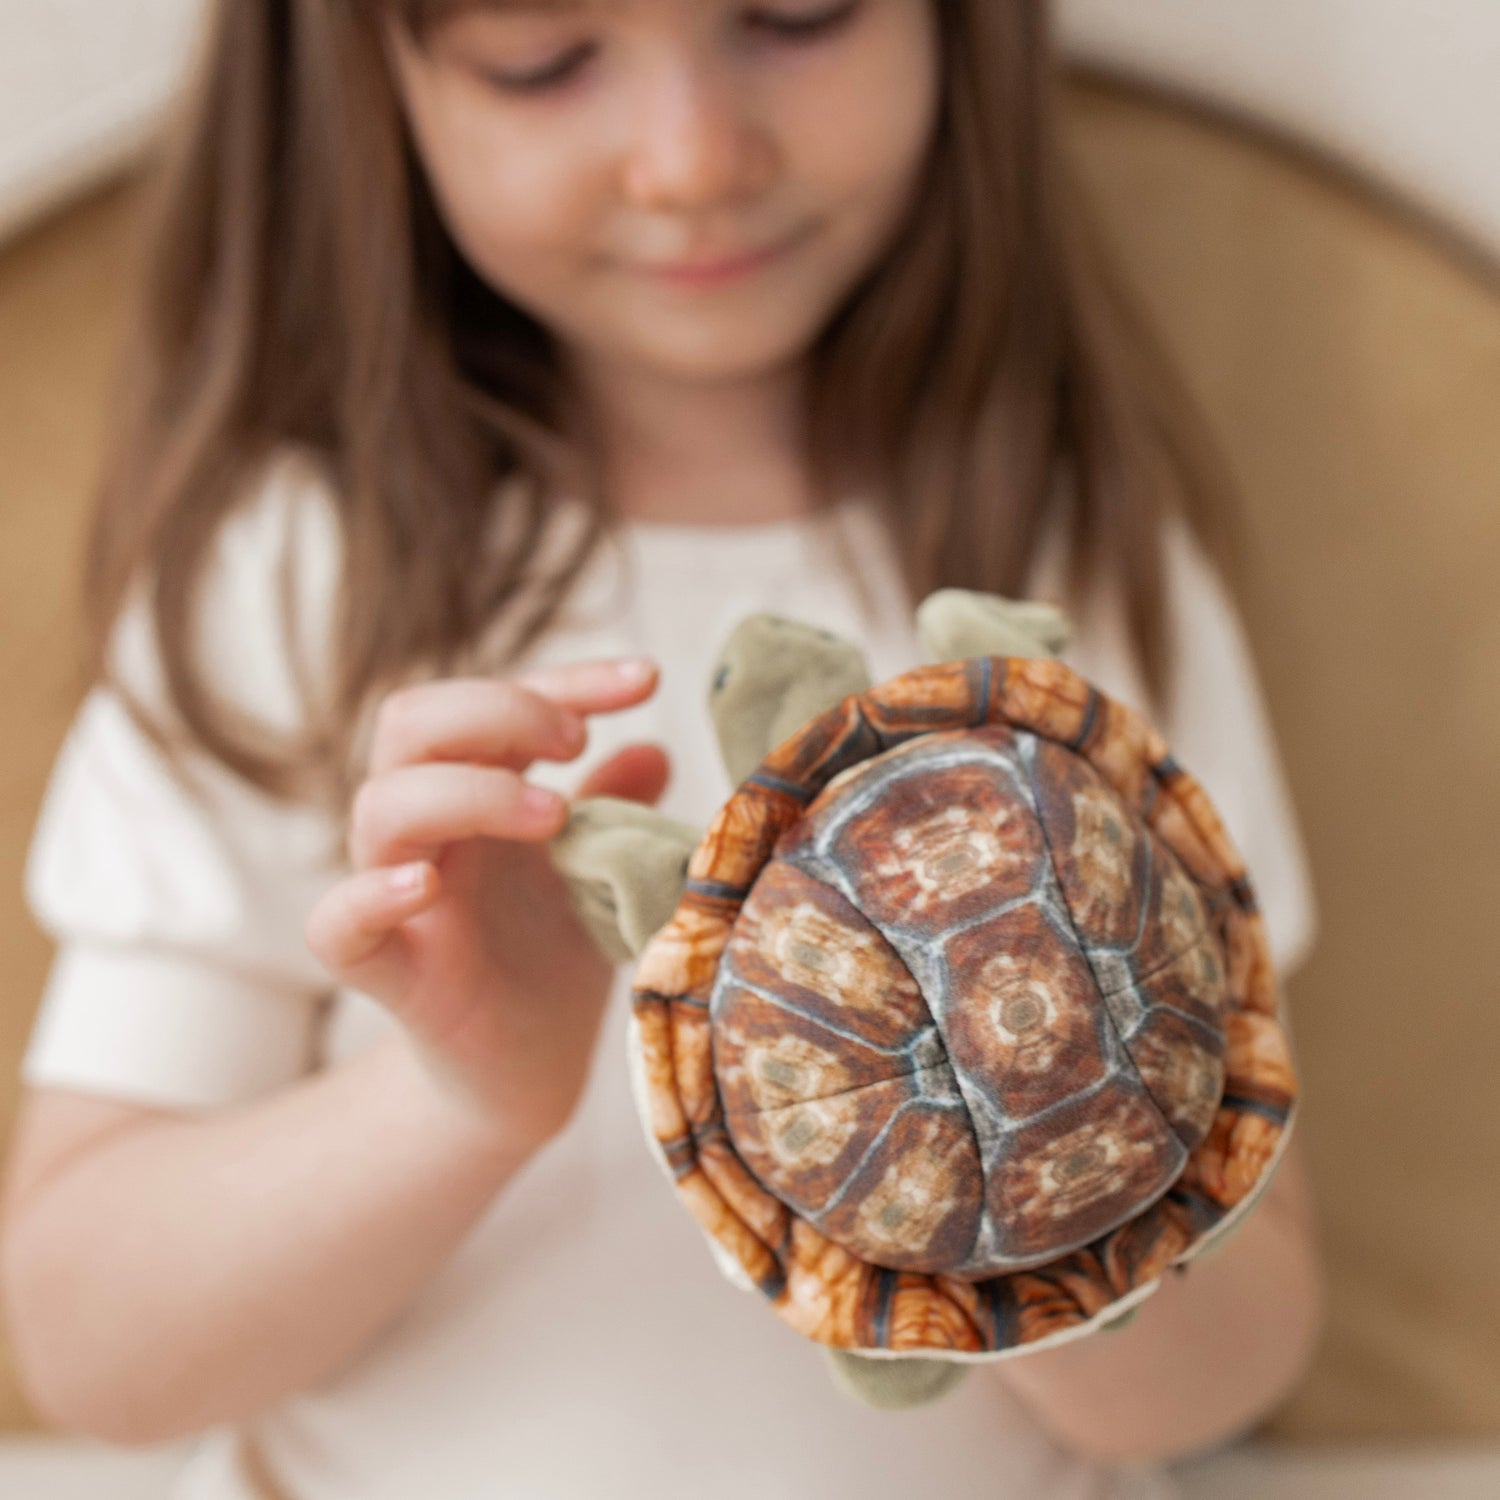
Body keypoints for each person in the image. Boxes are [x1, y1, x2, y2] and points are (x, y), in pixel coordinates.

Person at [0, 2, 1325, 1497]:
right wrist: (454, 1099)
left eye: (796, 15)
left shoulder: (1077, 573)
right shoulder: (292, 579)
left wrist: (1030, 1202)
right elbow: (90, 1348)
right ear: (369, 77)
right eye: (542, 60)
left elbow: (1250, 1339)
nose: (695, 161)